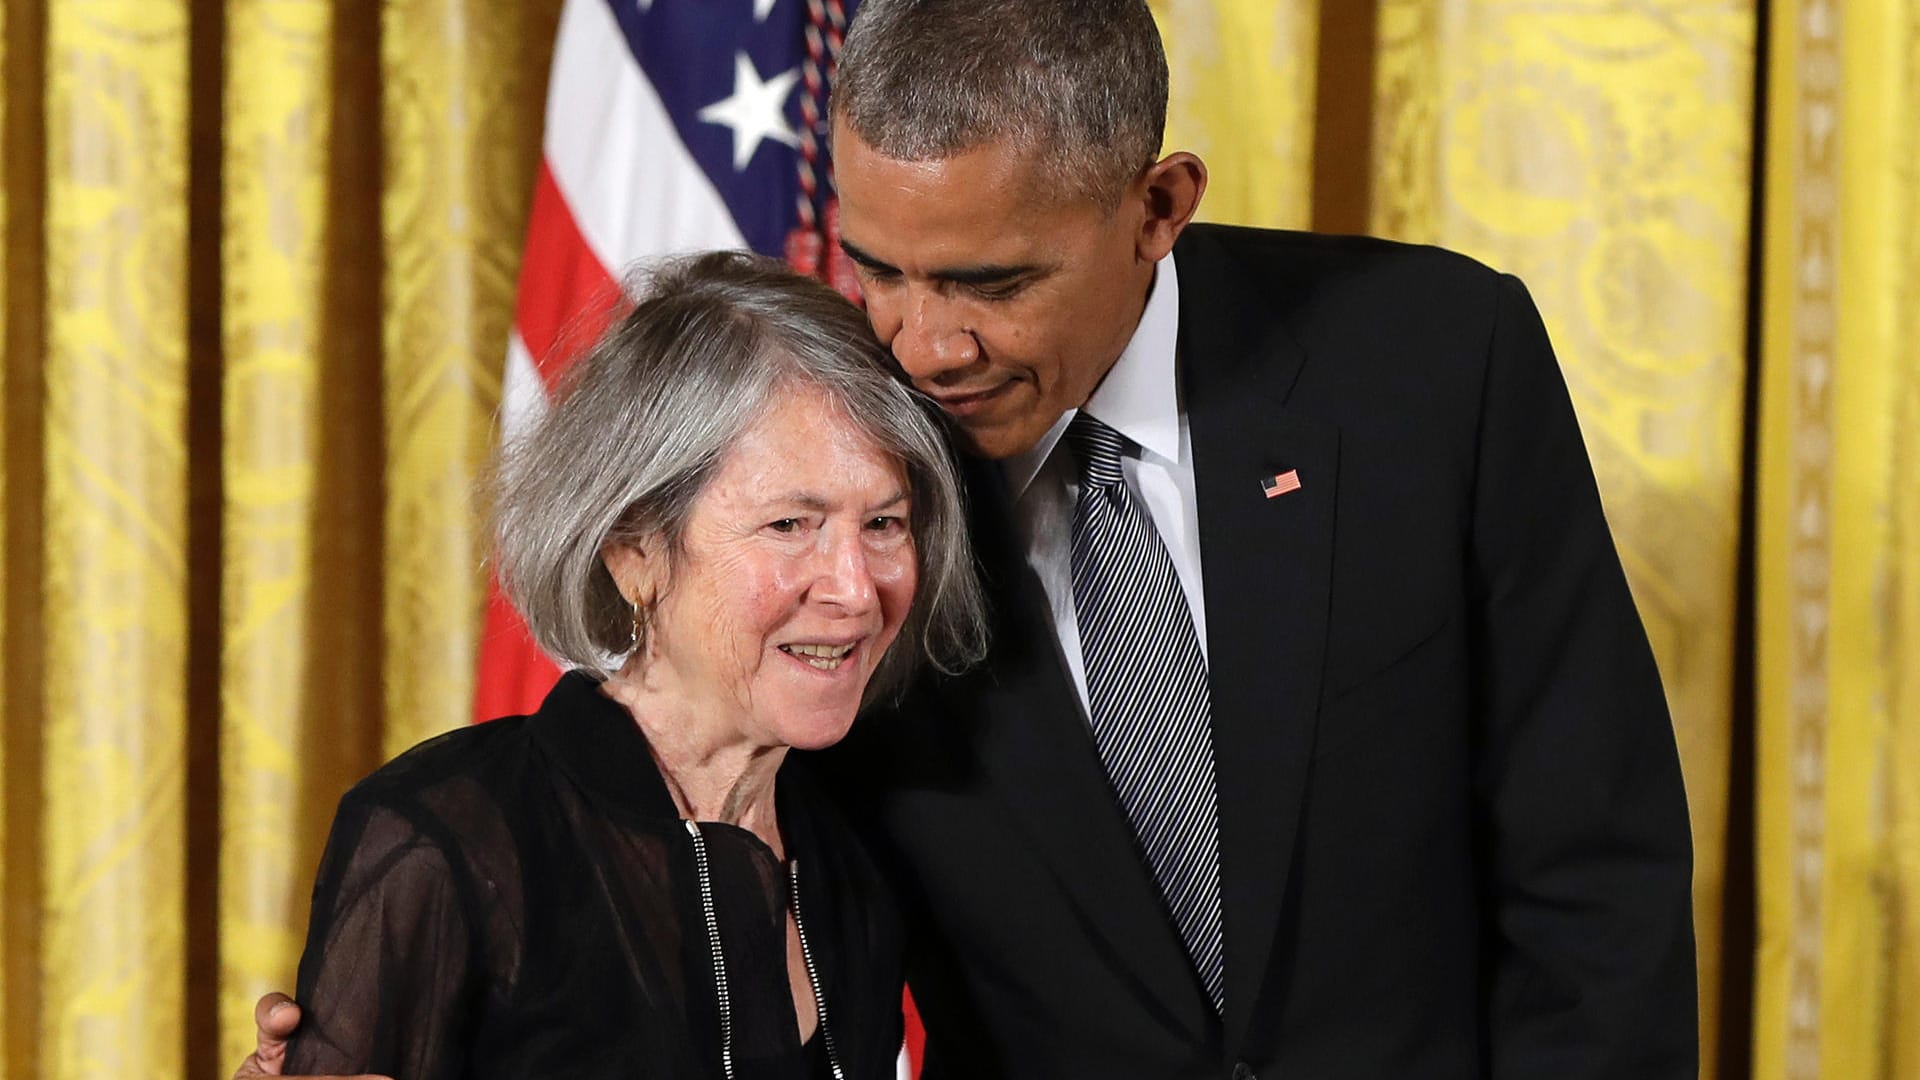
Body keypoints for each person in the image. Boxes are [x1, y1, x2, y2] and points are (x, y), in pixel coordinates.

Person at [244, 1, 1697, 1076]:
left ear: (1158, 206)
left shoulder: (1433, 362)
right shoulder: (854, 479)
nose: (924, 346)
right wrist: (418, 1003)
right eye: (877, 267)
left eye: (992, 281)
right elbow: (672, 850)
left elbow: (1596, 876)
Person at [263, 251, 985, 1078]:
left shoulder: (853, 857)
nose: (857, 590)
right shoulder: (447, 840)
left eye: (885, 524)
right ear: (634, 549)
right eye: (791, 524)